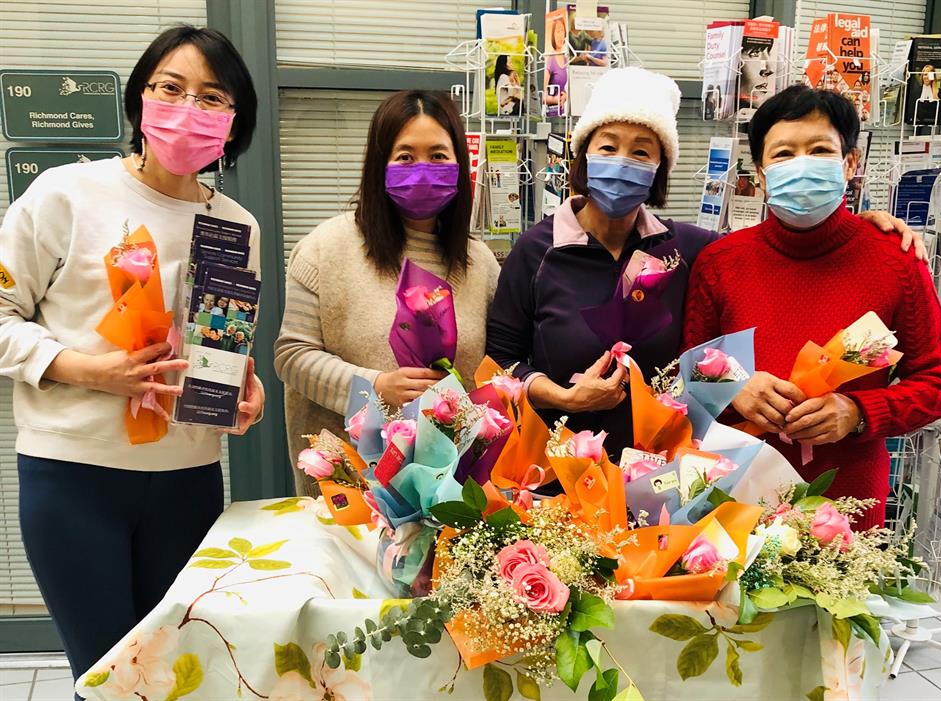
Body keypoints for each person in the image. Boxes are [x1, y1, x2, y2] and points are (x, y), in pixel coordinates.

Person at [0, 25, 265, 687]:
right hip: (73, 480)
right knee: (109, 675)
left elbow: (223, 354)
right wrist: (89, 370)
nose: (189, 110)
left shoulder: (237, 226)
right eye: (171, 89)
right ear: (139, 100)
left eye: (212, 98)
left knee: (179, 674)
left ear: (234, 125)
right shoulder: (65, 196)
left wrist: (241, 398)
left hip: (189, 481)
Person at [487, 67, 927, 463]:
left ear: (660, 168)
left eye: (642, 152)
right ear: (582, 156)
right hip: (557, 468)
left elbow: (702, 347)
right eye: (608, 147)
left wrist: (865, 228)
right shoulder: (536, 251)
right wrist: (564, 397)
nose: (622, 162)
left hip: (669, 467)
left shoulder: (696, 251)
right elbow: (500, 360)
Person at [682, 85, 941, 529]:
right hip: (735, 494)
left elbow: (940, 382)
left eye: (819, 150)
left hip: (847, 508)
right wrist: (734, 385)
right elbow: (688, 370)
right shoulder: (721, 262)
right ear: (759, 171)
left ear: (851, 163)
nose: (802, 164)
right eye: (783, 154)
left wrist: (858, 413)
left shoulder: (895, 261)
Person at [275, 90, 500, 496]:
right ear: (379, 164)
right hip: (348, 489)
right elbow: (292, 357)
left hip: (447, 494)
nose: (422, 169)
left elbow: (489, 376)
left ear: (459, 165)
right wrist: (376, 387)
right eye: (405, 156)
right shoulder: (326, 248)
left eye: (438, 156)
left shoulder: (480, 264)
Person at [544, 16, 569, 116]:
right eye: (557, 31)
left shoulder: (566, 58)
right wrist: (555, 99)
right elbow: (541, 94)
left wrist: (566, 96)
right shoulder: (550, 59)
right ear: (553, 35)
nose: (560, 35)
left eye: (562, 31)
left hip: (564, 115)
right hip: (551, 115)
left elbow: (566, 88)